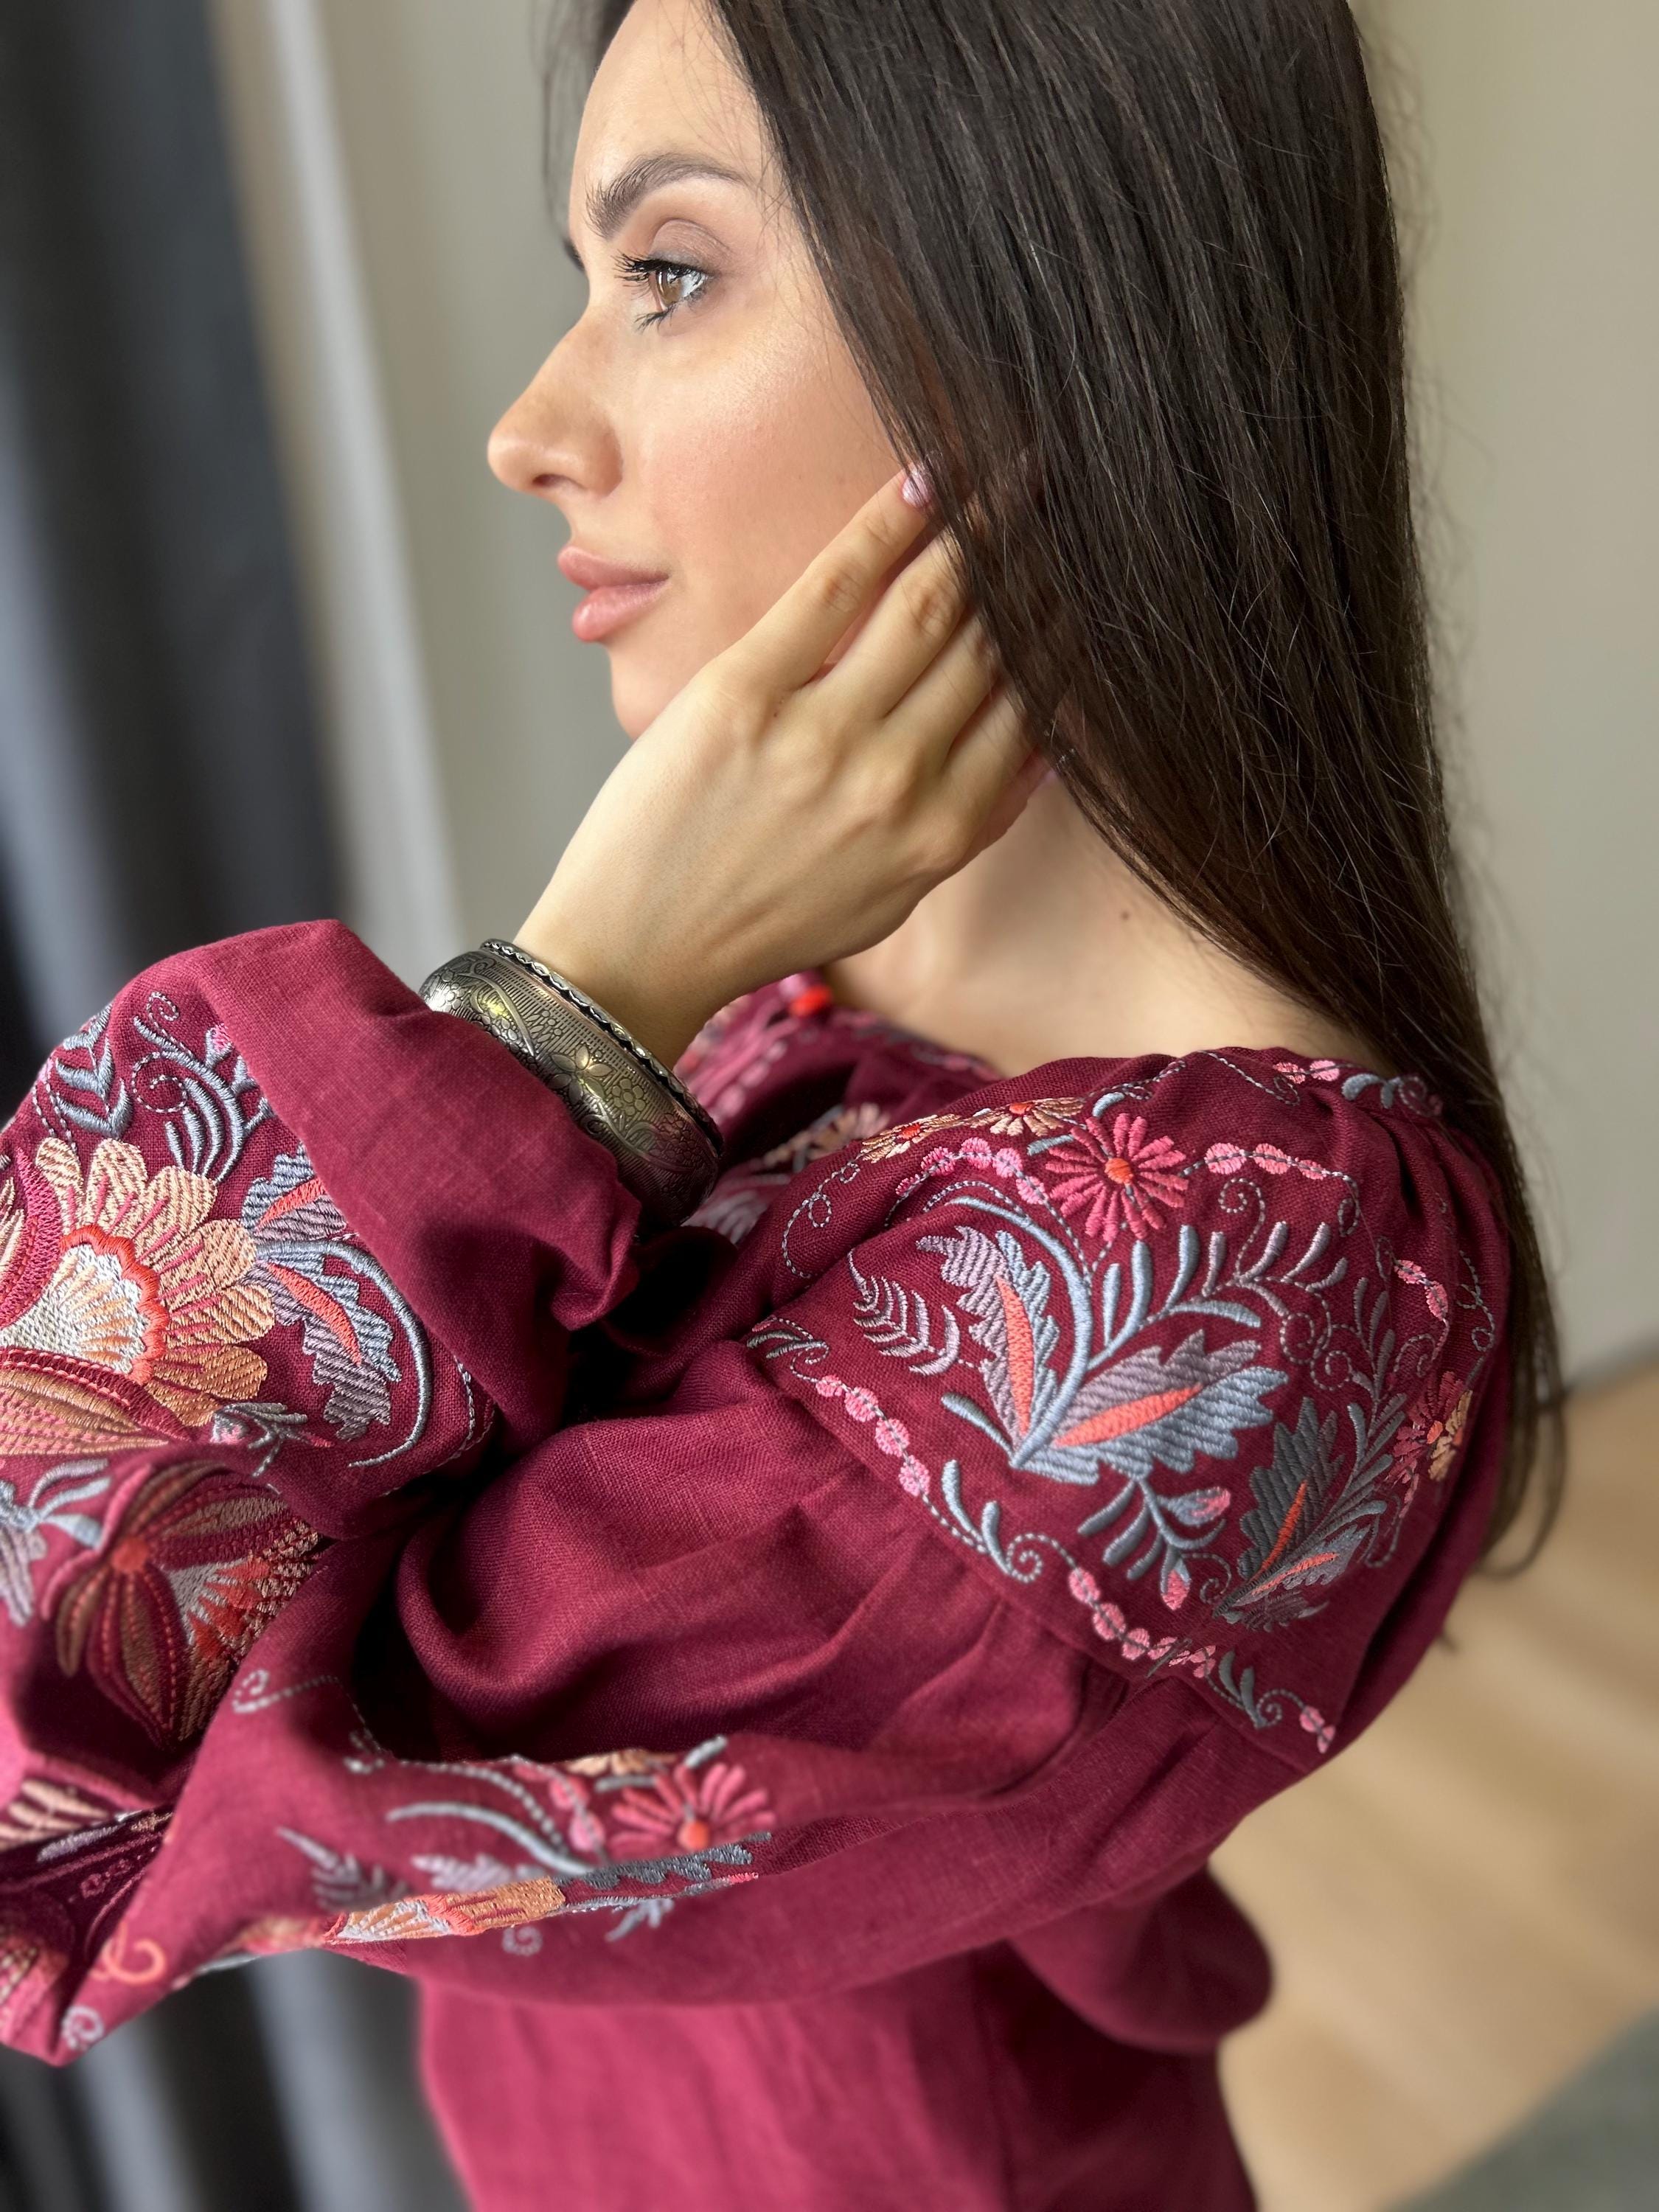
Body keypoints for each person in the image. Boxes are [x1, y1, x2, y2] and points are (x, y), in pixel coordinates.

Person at [0, 0, 1565, 2205]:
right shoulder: (828, 1013)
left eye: (667, 273)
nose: (528, 430)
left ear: (1043, 329)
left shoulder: (1223, 1282)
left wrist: (568, 1002)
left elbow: (74, 1754)